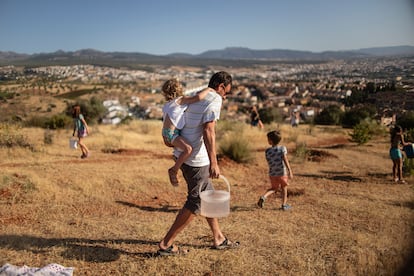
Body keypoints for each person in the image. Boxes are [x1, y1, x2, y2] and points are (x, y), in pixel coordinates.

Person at [157, 71, 239, 256]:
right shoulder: (215, 98)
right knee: (196, 202)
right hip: (196, 160)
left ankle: (218, 238)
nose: (226, 96)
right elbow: (209, 130)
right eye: (227, 92)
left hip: (186, 155)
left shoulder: (203, 93)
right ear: (220, 87)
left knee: (207, 195)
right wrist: (214, 162)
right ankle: (166, 244)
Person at [161, 78, 214, 186]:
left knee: (183, 150)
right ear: (179, 89)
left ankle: (177, 166)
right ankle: (174, 170)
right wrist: (208, 89)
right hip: (172, 134)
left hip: (166, 133)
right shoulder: (181, 100)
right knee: (188, 149)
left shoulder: (168, 104)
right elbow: (198, 97)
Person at [257, 130, 293, 211]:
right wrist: (289, 170)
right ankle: (284, 205)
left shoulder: (267, 151)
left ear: (270, 141)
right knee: (284, 188)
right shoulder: (282, 148)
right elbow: (285, 159)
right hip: (281, 173)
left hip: (272, 173)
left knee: (273, 188)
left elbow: (269, 161)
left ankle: (264, 197)